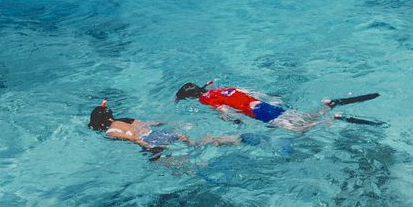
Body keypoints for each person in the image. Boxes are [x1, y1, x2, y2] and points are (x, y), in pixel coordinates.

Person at [174, 82, 381, 131]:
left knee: (298, 129)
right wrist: (272, 98)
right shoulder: (220, 88)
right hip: (261, 103)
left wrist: (234, 121)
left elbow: (222, 110)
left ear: (191, 97)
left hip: (255, 111)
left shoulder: (205, 99)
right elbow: (248, 91)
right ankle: (330, 105)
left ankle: (333, 117)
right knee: (304, 117)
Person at [88, 100, 240, 158]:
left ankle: (199, 166)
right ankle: (226, 140)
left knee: (169, 165)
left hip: (149, 141)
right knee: (194, 142)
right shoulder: (126, 119)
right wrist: (166, 122)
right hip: (158, 133)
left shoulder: (110, 132)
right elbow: (150, 123)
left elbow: (134, 139)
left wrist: (150, 148)